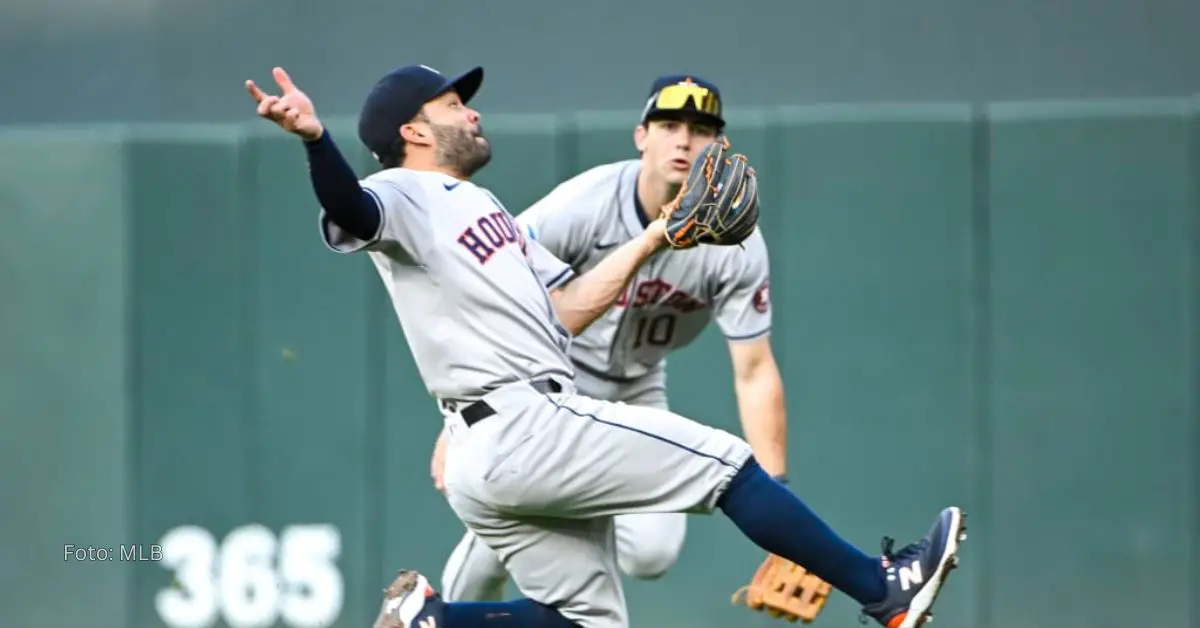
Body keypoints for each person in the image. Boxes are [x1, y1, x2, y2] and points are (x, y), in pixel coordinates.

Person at [243, 63, 967, 628]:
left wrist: (656, 237)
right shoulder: (402, 193)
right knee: (728, 464)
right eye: (453, 105)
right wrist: (315, 140)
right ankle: (885, 591)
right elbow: (350, 207)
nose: (473, 110)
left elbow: (568, 308)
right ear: (415, 131)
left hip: (500, 441)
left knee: (587, 620)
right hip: (525, 422)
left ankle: (431, 621)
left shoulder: (488, 210)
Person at [434, 75, 790, 603]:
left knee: (652, 552)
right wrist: (468, 411)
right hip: (548, 382)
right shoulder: (586, 203)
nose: (684, 141)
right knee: (495, 546)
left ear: (720, 147)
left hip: (639, 385)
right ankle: (434, 617)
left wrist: (780, 501)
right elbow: (493, 289)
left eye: (701, 130)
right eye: (669, 126)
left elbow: (755, 369)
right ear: (640, 136)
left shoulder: (735, 242)